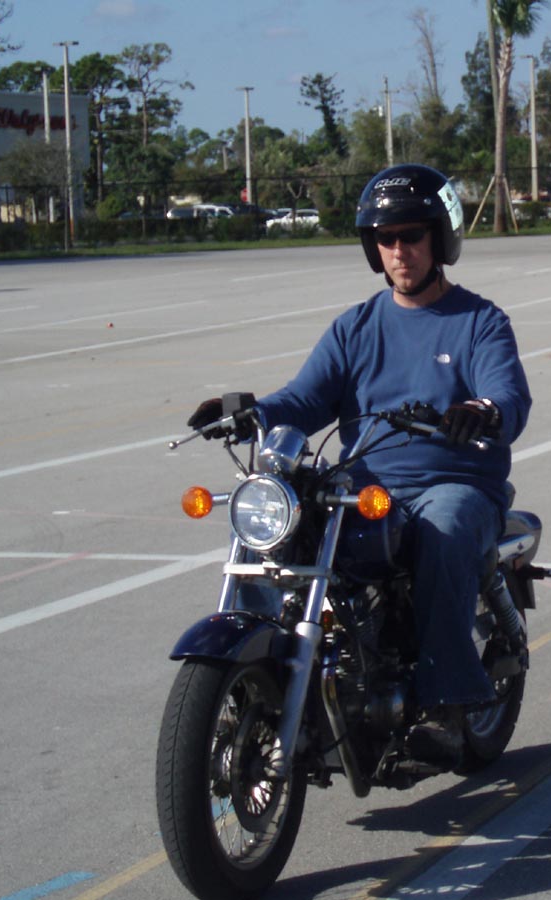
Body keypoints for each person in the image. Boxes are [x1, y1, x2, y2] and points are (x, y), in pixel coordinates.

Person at [187, 164, 532, 765]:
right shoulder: (356, 327)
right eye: (386, 238)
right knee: (285, 525)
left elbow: (508, 392)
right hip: (366, 487)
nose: (399, 250)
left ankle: (447, 703)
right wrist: (250, 413)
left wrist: (483, 410)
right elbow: (306, 398)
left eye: (411, 236)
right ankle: (272, 671)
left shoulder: (480, 322)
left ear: (439, 238)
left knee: (445, 531)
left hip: (454, 484)